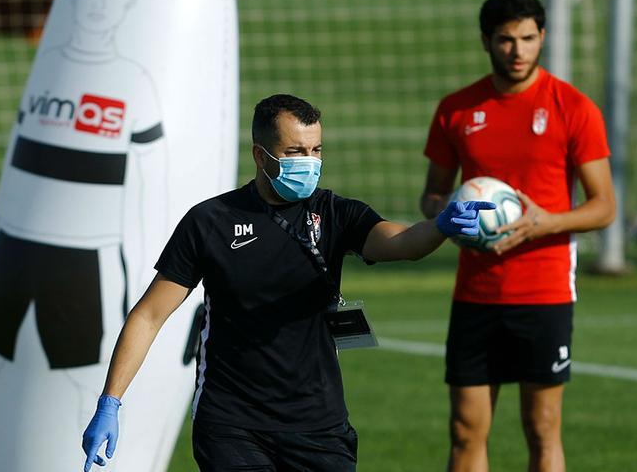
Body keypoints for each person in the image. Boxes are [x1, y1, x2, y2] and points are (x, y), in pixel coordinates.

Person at [81, 93, 495, 471]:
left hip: (319, 425)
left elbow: (402, 242)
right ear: (260, 155)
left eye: (316, 150)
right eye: (295, 151)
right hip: (231, 423)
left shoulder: (335, 213)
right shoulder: (210, 222)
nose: (309, 162)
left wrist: (439, 227)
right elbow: (149, 316)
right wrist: (110, 402)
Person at [419, 0, 616, 472]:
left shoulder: (574, 108)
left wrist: (546, 222)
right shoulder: (455, 110)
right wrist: (448, 214)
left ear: (542, 36)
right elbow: (432, 195)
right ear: (486, 41)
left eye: (528, 38)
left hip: (544, 291)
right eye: (506, 40)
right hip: (475, 292)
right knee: (465, 430)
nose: (518, 51)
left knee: (542, 428)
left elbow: (604, 207)